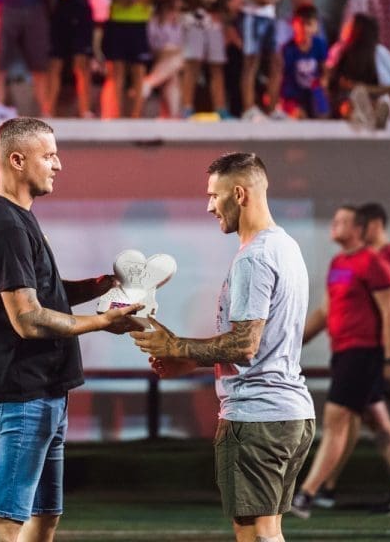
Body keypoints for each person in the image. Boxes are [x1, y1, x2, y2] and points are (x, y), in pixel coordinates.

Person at [0, 117, 142, 542]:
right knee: (5, 525)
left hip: (43, 392)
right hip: (23, 395)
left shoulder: (17, 218)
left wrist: (97, 286)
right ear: (17, 160)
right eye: (48, 156)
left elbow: (42, 291)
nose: (58, 165)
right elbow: (28, 318)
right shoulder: (6, 226)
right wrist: (101, 322)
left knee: (44, 518)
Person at [130, 152, 316, 542]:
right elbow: (262, 344)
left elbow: (245, 344)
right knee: (266, 530)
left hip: (257, 416)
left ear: (239, 194)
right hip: (288, 412)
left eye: (214, 195)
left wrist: (177, 345)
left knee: (255, 533)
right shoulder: (285, 246)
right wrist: (188, 360)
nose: (209, 206)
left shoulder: (254, 258)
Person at [291, 205, 390, 519]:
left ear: (359, 229)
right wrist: (292, 342)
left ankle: (306, 495)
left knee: (336, 420)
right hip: (343, 352)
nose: (334, 224)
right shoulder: (338, 263)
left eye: (342, 221)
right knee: (378, 419)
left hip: (363, 354)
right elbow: (326, 311)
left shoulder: (374, 262)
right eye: (334, 219)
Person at [316, 202, 390, 510]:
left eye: (360, 225)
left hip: (383, 352)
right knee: (363, 415)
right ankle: (329, 486)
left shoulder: (388, 256)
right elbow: (328, 310)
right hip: (358, 353)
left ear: (373, 225)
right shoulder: (346, 262)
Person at [100, 0, 167, 118]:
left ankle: (136, 113)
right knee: (117, 67)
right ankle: (116, 112)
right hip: (117, 17)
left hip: (139, 20)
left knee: (138, 68)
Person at [171, 0, 230, 119]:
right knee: (192, 64)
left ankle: (220, 108)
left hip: (213, 20)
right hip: (192, 20)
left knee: (216, 65)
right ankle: (186, 107)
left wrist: (222, 3)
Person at [234, 0, 284, 121]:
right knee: (251, 61)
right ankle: (248, 108)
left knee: (276, 61)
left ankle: (273, 108)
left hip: (269, 15)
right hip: (252, 16)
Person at [326, 13, 390, 129]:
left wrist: (364, 88)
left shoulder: (379, 52)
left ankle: (373, 116)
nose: (346, 27)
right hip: (350, 101)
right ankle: (363, 116)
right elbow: (335, 84)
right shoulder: (342, 51)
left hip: (375, 98)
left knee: (380, 101)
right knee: (348, 103)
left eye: (350, 26)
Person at [44, 0, 95, 118]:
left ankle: (85, 109)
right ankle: (48, 109)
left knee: (81, 62)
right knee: (55, 61)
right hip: (60, 15)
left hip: (79, 15)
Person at [280, 4, 329, 118]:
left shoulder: (319, 44)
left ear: (316, 26)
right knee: (299, 115)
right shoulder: (288, 49)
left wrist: (324, 80)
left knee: (323, 112)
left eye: (309, 24)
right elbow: (282, 77)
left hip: (314, 92)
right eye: (301, 24)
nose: (305, 29)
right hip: (293, 95)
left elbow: (325, 69)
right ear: (293, 25)